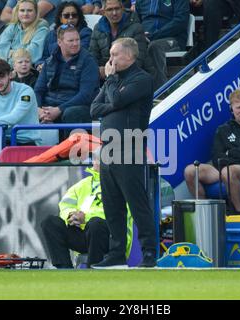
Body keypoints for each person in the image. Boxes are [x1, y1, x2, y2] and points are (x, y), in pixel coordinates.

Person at [90, 38, 156, 268]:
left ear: (129, 56)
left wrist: (110, 86)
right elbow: (94, 108)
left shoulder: (142, 79)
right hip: (108, 148)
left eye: (115, 54)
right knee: (112, 205)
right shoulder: (115, 80)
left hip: (129, 146)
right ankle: (116, 253)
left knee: (137, 204)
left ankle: (149, 253)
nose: (110, 60)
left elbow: (116, 99)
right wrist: (113, 101)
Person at [41, 148, 132, 268]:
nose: (96, 162)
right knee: (49, 222)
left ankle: (92, 269)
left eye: (101, 160)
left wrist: (85, 218)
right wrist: (71, 215)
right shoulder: (82, 185)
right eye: (95, 159)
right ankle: (64, 269)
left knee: (96, 223)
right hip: (84, 233)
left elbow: (118, 216)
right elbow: (65, 205)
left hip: (112, 238)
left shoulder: (121, 186)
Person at [184, 89, 240, 214]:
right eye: (238, 107)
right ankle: (205, 212)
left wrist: (230, 153)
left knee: (228, 172)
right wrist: (238, 155)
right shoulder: (223, 129)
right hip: (223, 166)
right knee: (191, 171)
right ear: (231, 108)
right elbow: (217, 157)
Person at [34, 25, 99, 125]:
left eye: (77, 40)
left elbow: (85, 95)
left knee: (71, 113)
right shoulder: (50, 61)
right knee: (28, 109)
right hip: (50, 107)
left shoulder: (88, 61)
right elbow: (38, 90)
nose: (75, 43)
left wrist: (59, 109)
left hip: (77, 107)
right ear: (60, 42)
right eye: (71, 41)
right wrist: (39, 110)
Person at [135, 0, 189, 90]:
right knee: (127, 47)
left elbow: (180, 21)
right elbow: (136, 22)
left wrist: (154, 35)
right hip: (145, 39)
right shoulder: (140, 1)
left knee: (154, 46)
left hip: (172, 38)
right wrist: (140, 34)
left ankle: (161, 92)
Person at [89, 0, 147, 80]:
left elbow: (138, 61)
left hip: (130, 78)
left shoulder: (136, 28)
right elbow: (93, 56)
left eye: (117, 8)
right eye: (110, 10)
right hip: (103, 77)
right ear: (103, 11)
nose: (114, 13)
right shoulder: (98, 28)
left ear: (122, 8)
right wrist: (98, 70)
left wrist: (111, 71)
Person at [37, 1, 92, 66]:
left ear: (78, 17)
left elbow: (77, 53)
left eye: (74, 15)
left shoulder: (85, 32)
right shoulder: (51, 34)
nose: (70, 17)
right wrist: (40, 65)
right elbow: (44, 56)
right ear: (61, 18)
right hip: (50, 70)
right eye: (66, 15)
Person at [0, 0, 49, 65]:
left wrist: (10, 54)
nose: (25, 14)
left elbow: (31, 55)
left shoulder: (42, 30)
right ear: (17, 12)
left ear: (36, 13)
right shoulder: (13, 26)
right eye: (22, 10)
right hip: (6, 68)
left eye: (29, 10)